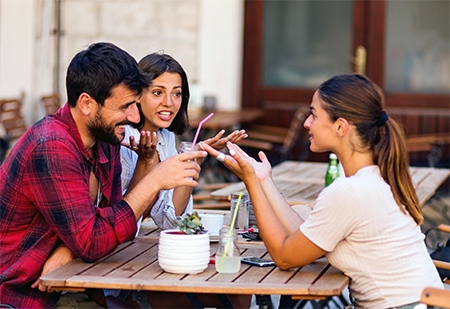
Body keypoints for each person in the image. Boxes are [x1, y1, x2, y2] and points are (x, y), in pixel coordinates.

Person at [200, 73, 444, 308]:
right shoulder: (379, 176)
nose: (307, 123)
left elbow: (285, 257)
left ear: (340, 126)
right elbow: (302, 237)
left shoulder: (350, 191)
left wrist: (251, 181)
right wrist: (264, 179)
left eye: (314, 115)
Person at [0, 42, 206, 309]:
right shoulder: (52, 145)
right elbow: (95, 241)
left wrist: (67, 250)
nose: (133, 116)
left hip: (78, 282)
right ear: (86, 103)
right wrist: (155, 179)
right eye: (124, 107)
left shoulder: (105, 139)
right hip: (26, 296)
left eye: (135, 104)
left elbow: (114, 223)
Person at [120, 51, 247, 232]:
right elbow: (121, 219)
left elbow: (171, 221)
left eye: (177, 94)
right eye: (158, 92)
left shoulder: (165, 138)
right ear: (138, 95)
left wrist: (195, 157)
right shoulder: (124, 140)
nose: (169, 103)